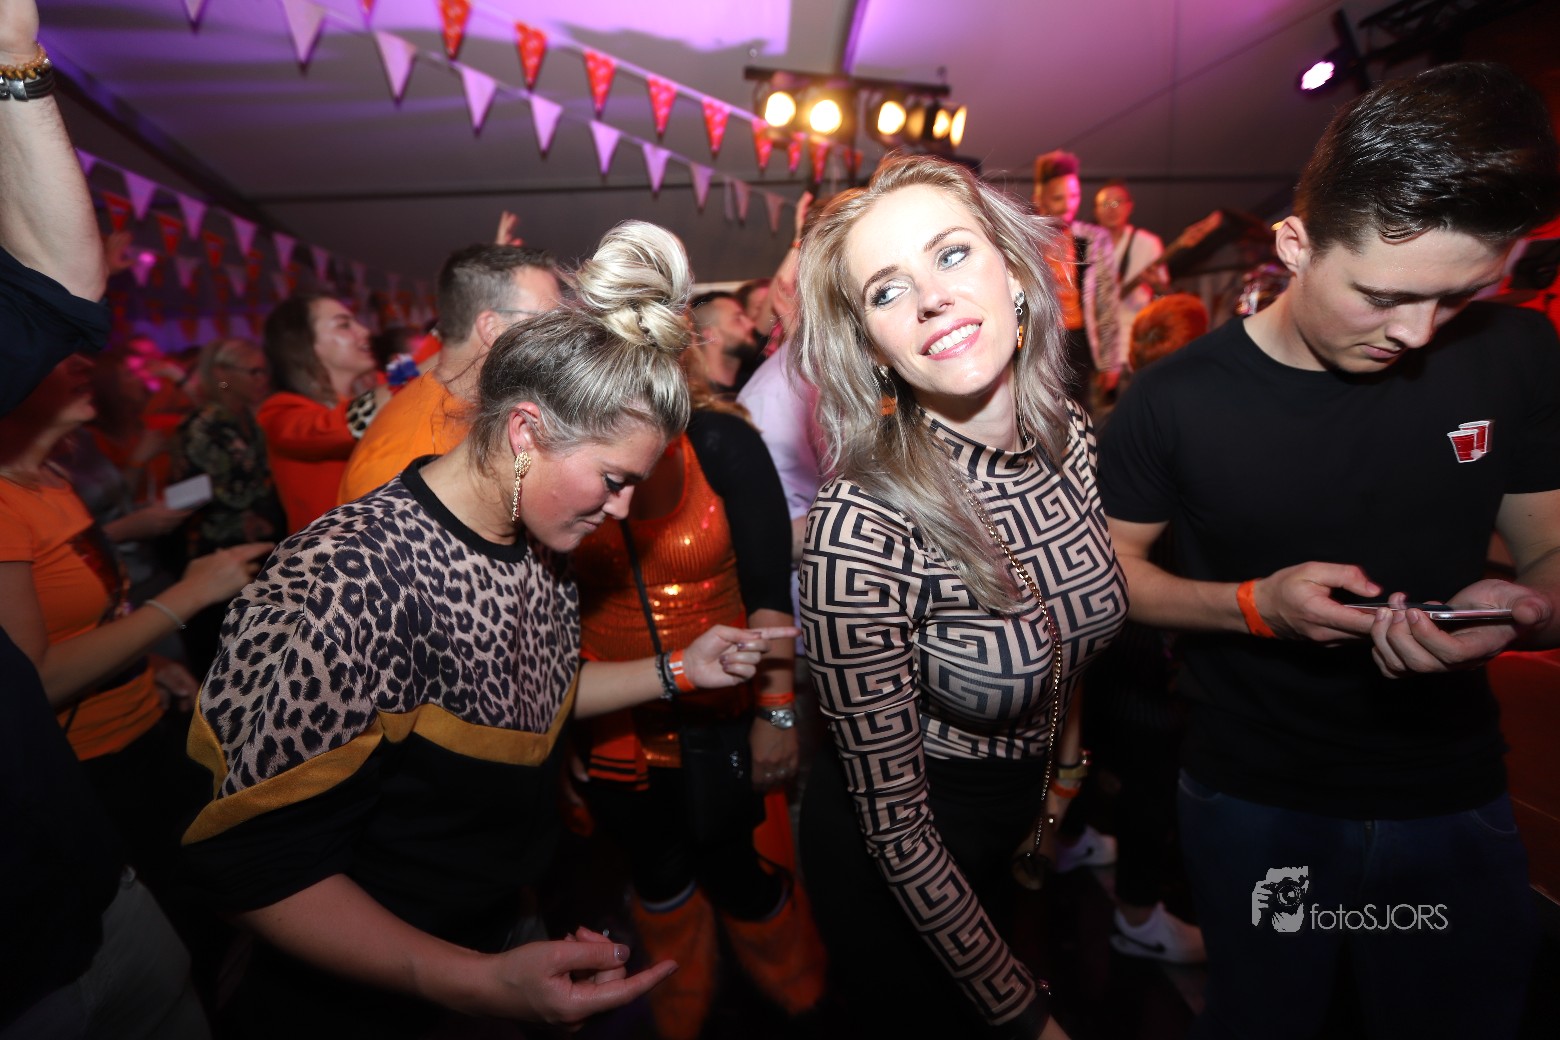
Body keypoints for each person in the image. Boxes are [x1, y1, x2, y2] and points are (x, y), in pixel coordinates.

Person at [180, 220, 797, 1039]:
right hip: (376, 986)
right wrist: (471, 982)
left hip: (497, 923)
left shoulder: (533, 535)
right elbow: (249, 866)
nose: (621, 511)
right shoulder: (347, 581)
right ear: (525, 431)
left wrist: (682, 666)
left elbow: (535, 688)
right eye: (613, 480)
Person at [1098, 61, 1560, 1039]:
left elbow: (1552, 555)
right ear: (1296, 244)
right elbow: (1108, 577)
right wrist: (1254, 605)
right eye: (1385, 295)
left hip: (1452, 787)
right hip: (1256, 795)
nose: (1418, 333)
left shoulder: (1517, 355)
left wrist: (1527, 610)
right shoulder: (1175, 399)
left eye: (1459, 298)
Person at [791, 154, 1127, 1039]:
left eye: (950, 254)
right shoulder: (860, 527)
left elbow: (1065, 638)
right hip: (904, 852)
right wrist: (1027, 1021)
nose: (932, 298)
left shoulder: (1071, 437)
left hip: (1019, 814)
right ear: (872, 347)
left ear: (1013, 273)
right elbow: (896, 830)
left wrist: (1062, 782)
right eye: (887, 290)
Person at [572, 362, 824, 1040]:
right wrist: (562, 735)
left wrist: (776, 713)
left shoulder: (718, 442)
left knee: (737, 869)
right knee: (656, 875)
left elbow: (769, 592)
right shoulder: (569, 454)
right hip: (614, 729)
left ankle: (798, 993)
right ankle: (680, 1009)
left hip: (723, 720)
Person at [338, 243, 562, 503]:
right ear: (492, 328)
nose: (561, 337)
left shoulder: (496, 408)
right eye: (548, 322)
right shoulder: (401, 463)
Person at [171, 337, 286, 676]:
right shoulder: (204, 424)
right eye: (253, 372)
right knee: (231, 655)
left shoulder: (247, 417)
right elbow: (200, 495)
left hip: (257, 551)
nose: (262, 380)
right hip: (219, 555)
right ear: (222, 374)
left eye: (264, 372)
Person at [258, 293, 387, 532]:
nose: (365, 331)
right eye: (344, 325)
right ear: (305, 345)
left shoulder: (377, 386)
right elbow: (330, 429)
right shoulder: (280, 410)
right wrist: (401, 386)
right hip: (337, 549)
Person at [1032, 150, 1120, 409]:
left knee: (1082, 416)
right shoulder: (1027, 237)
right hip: (1042, 342)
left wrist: (1110, 362)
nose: (1068, 204)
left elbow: (1106, 302)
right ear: (1039, 198)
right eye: (1058, 197)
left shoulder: (1094, 239)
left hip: (1080, 340)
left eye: (1074, 196)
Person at [1093, 180, 1165, 384]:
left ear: (1129, 206)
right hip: (1097, 349)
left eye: (1117, 202)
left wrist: (1156, 285)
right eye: (1105, 204)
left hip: (1134, 343)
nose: (1112, 209)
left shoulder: (1148, 243)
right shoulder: (1087, 245)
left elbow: (1165, 294)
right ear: (1096, 211)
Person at [689, 290, 759, 398]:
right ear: (711, 335)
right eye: (737, 319)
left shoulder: (750, 385)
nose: (751, 324)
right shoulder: (702, 401)